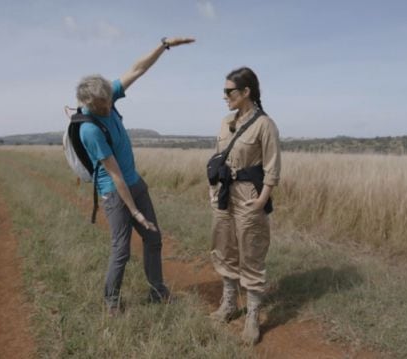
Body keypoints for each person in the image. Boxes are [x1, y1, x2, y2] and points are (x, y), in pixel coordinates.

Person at [74, 36, 195, 315]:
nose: (107, 107)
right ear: (88, 104)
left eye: (108, 100)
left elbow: (137, 69)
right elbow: (114, 175)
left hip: (135, 183)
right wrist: (135, 213)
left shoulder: (107, 94)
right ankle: (111, 302)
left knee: (153, 239)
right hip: (115, 192)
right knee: (122, 249)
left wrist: (164, 45)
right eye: (101, 105)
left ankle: (157, 291)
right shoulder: (89, 129)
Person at [208, 67, 281, 344]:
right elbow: (216, 158)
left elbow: (273, 166)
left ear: (246, 91)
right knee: (224, 247)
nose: (225, 96)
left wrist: (262, 199)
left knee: (251, 251)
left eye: (230, 91)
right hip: (224, 193)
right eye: (224, 91)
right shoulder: (226, 121)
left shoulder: (265, 124)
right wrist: (213, 189)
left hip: (250, 194)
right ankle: (229, 304)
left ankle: (252, 315)